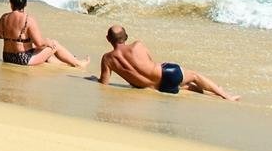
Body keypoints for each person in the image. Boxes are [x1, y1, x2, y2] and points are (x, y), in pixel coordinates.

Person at [98, 25, 237, 99]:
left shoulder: (107, 59)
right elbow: (151, 61)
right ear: (126, 36)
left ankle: (212, 93)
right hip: (167, 74)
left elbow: (104, 83)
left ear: (107, 38)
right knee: (194, 76)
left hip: (156, 87)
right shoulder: (137, 45)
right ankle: (224, 95)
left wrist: (95, 79)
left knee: (187, 87)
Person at [0, 0, 83, 68]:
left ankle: (66, 63)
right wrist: (48, 42)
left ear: (11, 3)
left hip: (7, 57)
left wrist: (13, 38)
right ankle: (78, 64)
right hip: (22, 59)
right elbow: (39, 43)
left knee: (39, 50)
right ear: (25, 4)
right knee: (54, 44)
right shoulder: (28, 20)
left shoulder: (4, 17)